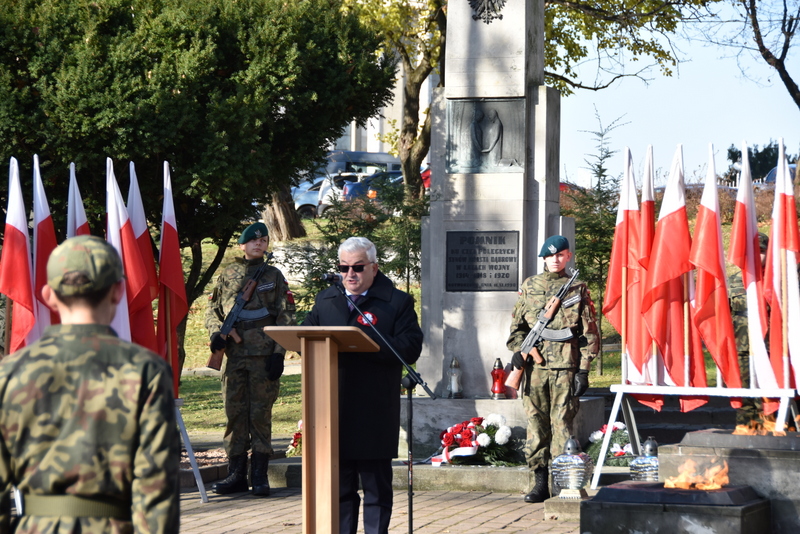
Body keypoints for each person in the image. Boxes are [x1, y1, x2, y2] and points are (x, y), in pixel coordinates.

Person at [0, 235, 180, 532]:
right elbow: (156, 485)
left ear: (48, 295)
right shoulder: (144, 370)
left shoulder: (10, 372)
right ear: (119, 291)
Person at [302, 237, 423, 534]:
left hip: (373, 407)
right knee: (340, 488)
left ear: (374, 267)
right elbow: (304, 333)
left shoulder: (397, 302)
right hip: (334, 408)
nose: (349, 275)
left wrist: (366, 341)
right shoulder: (327, 300)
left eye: (357, 267)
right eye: (343, 268)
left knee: (375, 487)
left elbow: (410, 347)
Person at [205, 222, 296, 496]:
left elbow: (286, 315)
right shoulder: (228, 273)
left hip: (263, 355)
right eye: (252, 241)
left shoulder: (274, 275)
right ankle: (235, 474)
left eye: (263, 240)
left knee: (260, 414)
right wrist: (215, 335)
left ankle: (259, 474)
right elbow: (212, 310)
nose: (258, 244)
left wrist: (279, 353)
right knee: (235, 414)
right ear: (242, 245)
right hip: (233, 356)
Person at [506, 235, 599, 503]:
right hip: (535, 369)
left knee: (562, 424)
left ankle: (561, 482)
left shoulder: (577, 288)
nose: (556, 259)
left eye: (561, 255)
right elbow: (518, 327)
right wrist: (519, 351)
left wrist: (584, 370)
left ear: (568, 256)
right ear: (544, 259)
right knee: (536, 424)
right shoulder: (530, 285)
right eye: (550, 256)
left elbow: (588, 333)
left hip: (565, 367)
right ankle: (539, 483)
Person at [729, 232, 769, 429]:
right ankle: (746, 429)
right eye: (752, 252)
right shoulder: (733, 281)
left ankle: (776, 429)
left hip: (772, 348)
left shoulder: (779, 281)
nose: (757, 256)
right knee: (746, 391)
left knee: (770, 392)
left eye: (761, 251)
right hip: (742, 347)